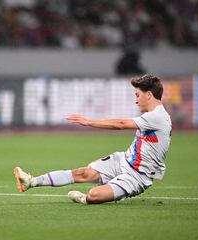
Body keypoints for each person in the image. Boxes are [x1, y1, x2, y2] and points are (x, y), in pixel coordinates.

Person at [14, 74, 172, 204]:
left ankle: (88, 198)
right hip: (123, 160)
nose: (136, 100)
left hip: (137, 176)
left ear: (149, 95)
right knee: (82, 173)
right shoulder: (152, 116)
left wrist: (89, 122)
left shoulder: (158, 117)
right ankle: (31, 181)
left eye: (137, 95)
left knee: (94, 195)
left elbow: (121, 124)